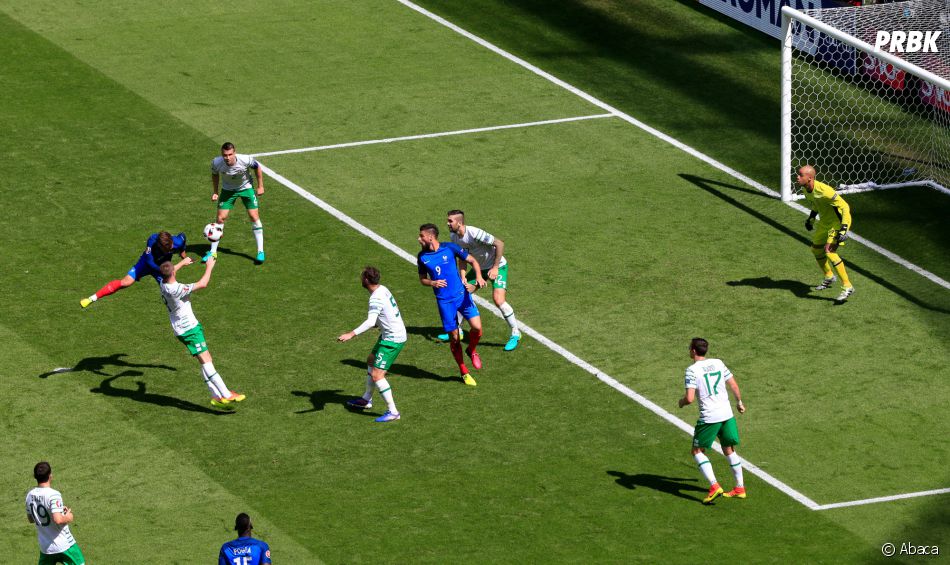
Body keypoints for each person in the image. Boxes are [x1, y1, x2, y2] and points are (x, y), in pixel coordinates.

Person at [158, 256, 245, 409]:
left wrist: (182, 264)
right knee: (206, 361)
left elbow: (170, 272)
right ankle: (226, 394)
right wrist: (209, 266)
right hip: (189, 329)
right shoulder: (178, 289)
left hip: (180, 328)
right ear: (172, 273)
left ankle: (215, 396)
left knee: (206, 358)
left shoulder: (162, 283)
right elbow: (203, 284)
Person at [677, 338, 746, 504]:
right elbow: (734, 385)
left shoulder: (691, 370)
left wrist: (681, 402)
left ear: (693, 351)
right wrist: (739, 402)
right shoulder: (718, 363)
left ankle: (714, 486)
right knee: (728, 448)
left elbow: (690, 398)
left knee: (697, 450)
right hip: (727, 414)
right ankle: (740, 488)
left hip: (710, 417)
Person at [417, 224, 487, 386]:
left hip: (462, 296)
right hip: (444, 302)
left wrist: (478, 277)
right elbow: (422, 279)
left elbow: (472, 260)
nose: (418, 239)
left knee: (477, 328)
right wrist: (432, 282)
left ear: (430, 237)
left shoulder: (450, 248)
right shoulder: (422, 257)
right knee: (454, 338)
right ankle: (463, 371)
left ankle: (472, 350)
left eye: (421, 236)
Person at [445, 210, 522, 351]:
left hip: (497, 266)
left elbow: (499, 243)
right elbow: (462, 258)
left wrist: (496, 267)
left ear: (460, 222)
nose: (447, 223)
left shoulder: (474, 233)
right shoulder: (454, 236)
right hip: (479, 268)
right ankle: (457, 329)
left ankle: (515, 333)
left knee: (498, 300)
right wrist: (463, 277)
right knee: (461, 292)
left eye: (450, 221)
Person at [338, 266, 407, 423]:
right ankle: (366, 399)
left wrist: (351, 334)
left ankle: (393, 411)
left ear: (367, 280)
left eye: (363, 277)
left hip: (392, 339)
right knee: (371, 360)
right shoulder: (383, 289)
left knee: (377, 375)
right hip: (389, 335)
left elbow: (370, 322)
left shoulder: (375, 298)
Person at [80, 231, 187, 308]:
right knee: (125, 282)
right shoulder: (152, 241)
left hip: (162, 267)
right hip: (146, 264)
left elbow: (183, 236)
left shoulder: (177, 241)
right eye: (167, 249)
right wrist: (171, 269)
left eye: (172, 248)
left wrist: (182, 251)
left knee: (171, 290)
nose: (171, 249)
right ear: (159, 246)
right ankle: (91, 298)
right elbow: (150, 262)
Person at [796, 165, 854, 302]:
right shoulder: (805, 188)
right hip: (824, 223)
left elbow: (845, 206)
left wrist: (844, 228)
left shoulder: (825, 190)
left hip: (836, 223)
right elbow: (815, 204)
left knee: (829, 251)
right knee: (816, 250)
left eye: (800, 175)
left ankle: (848, 286)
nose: (797, 177)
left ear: (809, 178)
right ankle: (829, 276)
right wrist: (810, 219)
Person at [206, 142, 266, 264]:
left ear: (234, 153)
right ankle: (213, 252)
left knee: (254, 217)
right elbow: (215, 175)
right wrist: (215, 191)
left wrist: (260, 186)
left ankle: (260, 251)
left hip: (246, 188)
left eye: (230, 154)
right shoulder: (216, 163)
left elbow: (257, 167)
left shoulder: (246, 159)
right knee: (220, 218)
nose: (227, 157)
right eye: (225, 155)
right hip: (228, 190)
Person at [26, 461, 85, 565]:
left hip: (46, 548)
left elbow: (31, 519)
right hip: (64, 545)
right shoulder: (54, 494)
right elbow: (58, 520)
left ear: (35, 477)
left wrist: (56, 510)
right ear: (50, 476)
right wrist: (69, 517)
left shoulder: (29, 496)